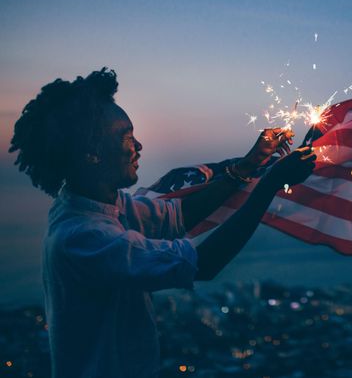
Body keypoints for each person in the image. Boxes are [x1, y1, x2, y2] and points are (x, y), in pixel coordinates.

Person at [9, 68, 316, 378]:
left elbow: (178, 215)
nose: (138, 145)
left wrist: (249, 165)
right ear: (91, 153)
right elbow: (203, 264)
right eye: (126, 137)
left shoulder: (103, 205)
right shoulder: (82, 237)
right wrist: (271, 183)